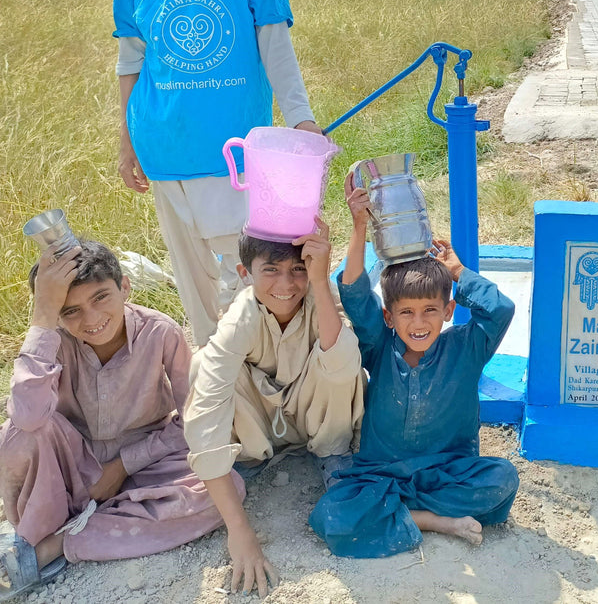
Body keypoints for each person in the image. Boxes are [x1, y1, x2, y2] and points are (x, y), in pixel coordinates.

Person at [113, 0, 321, 346]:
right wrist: (127, 142)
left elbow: (276, 50)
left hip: (233, 155)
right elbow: (130, 61)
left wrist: (302, 120)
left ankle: (260, 384)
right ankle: (216, 393)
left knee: (244, 280)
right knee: (196, 292)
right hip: (162, 148)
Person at [0, 241, 234, 600]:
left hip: (146, 465)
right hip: (69, 467)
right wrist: (42, 320)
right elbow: (28, 417)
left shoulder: (159, 332)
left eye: (100, 298)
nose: (91, 320)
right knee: (17, 434)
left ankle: (57, 543)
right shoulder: (54, 342)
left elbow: (193, 420)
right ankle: (57, 523)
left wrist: (123, 466)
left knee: (224, 489)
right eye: (70, 310)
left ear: (124, 287)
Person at [308, 174, 519, 558]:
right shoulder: (378, 347)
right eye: (406, 313)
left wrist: (457, 273)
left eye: (429, 312)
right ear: (389, 317)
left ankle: (403, 514)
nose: (418, 323)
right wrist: (358, 226)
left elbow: (500, 309)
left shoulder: (467, 347)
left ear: (448, 311)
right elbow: (355, 293)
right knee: (331, 513)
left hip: (448, 472)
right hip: (382, 473)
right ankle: (436, 521)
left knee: (502, 478)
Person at [183, 219, 365, 596]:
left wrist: (318, 279)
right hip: (261, 426)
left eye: (298, 268)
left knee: (343, 351)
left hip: (313, 418)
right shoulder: (242, 317)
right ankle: (246, 461)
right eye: (271, 270)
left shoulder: (317, 293)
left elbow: (343, 362)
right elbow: (206, 411)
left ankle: (333, 455)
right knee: (205, 367)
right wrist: (240, 531)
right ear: (244, 273)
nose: (286, 285)